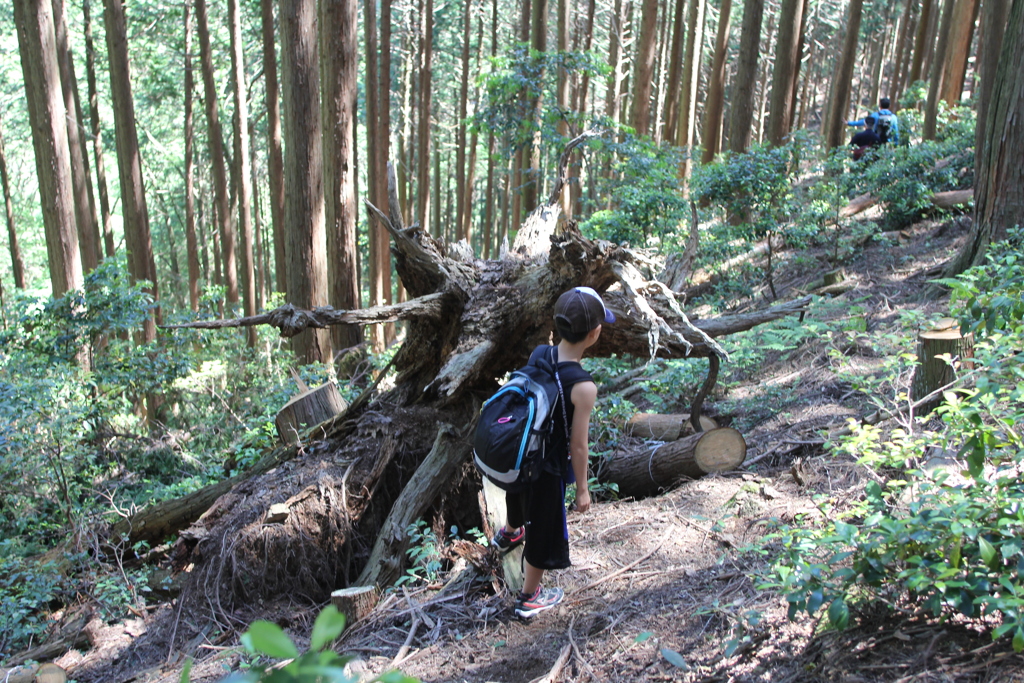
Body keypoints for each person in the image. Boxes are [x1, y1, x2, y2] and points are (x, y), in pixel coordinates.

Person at [490, 286, 613, 619]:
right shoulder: (584, 387)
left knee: (516, 498)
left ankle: (510, 532)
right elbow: (578, 445)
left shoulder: (539, 353)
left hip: (524, 453)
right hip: (547, 468)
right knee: (544, 531)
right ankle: (529, 596)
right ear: (594, 334)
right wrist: (583, 491)